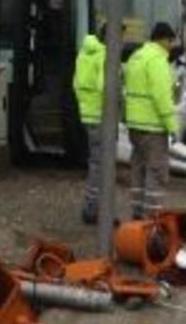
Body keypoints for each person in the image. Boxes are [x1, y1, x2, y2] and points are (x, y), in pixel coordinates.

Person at [124, 22, 178, 219]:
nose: (172, 45)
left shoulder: (136, 57)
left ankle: (137, 214)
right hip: (153, 127)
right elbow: (161, 96)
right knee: (156, 172)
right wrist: (173, 127)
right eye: (171, 41)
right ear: (163, 39)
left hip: (135, 125)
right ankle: (151, 220)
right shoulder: (157, 60)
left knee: (138, 169)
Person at [73, 26, 109, 224]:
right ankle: (93, 209)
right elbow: (106, 87)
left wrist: (85, 105)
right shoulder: (104, 55)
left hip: (88, 116)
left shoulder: (83, 54)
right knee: (101, 165)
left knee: (95, 163)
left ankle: (93, 206)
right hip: (101, 117)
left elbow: (76, 84)